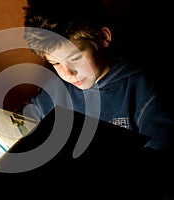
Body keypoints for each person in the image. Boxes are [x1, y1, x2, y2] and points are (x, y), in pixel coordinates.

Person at [20, 0, 173, 198]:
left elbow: (161, 157)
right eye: (55, 63)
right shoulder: (57, 91)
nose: (68, 73)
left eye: (75, 58)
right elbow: (28, 119)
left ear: (102, 37)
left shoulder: (145, 89)